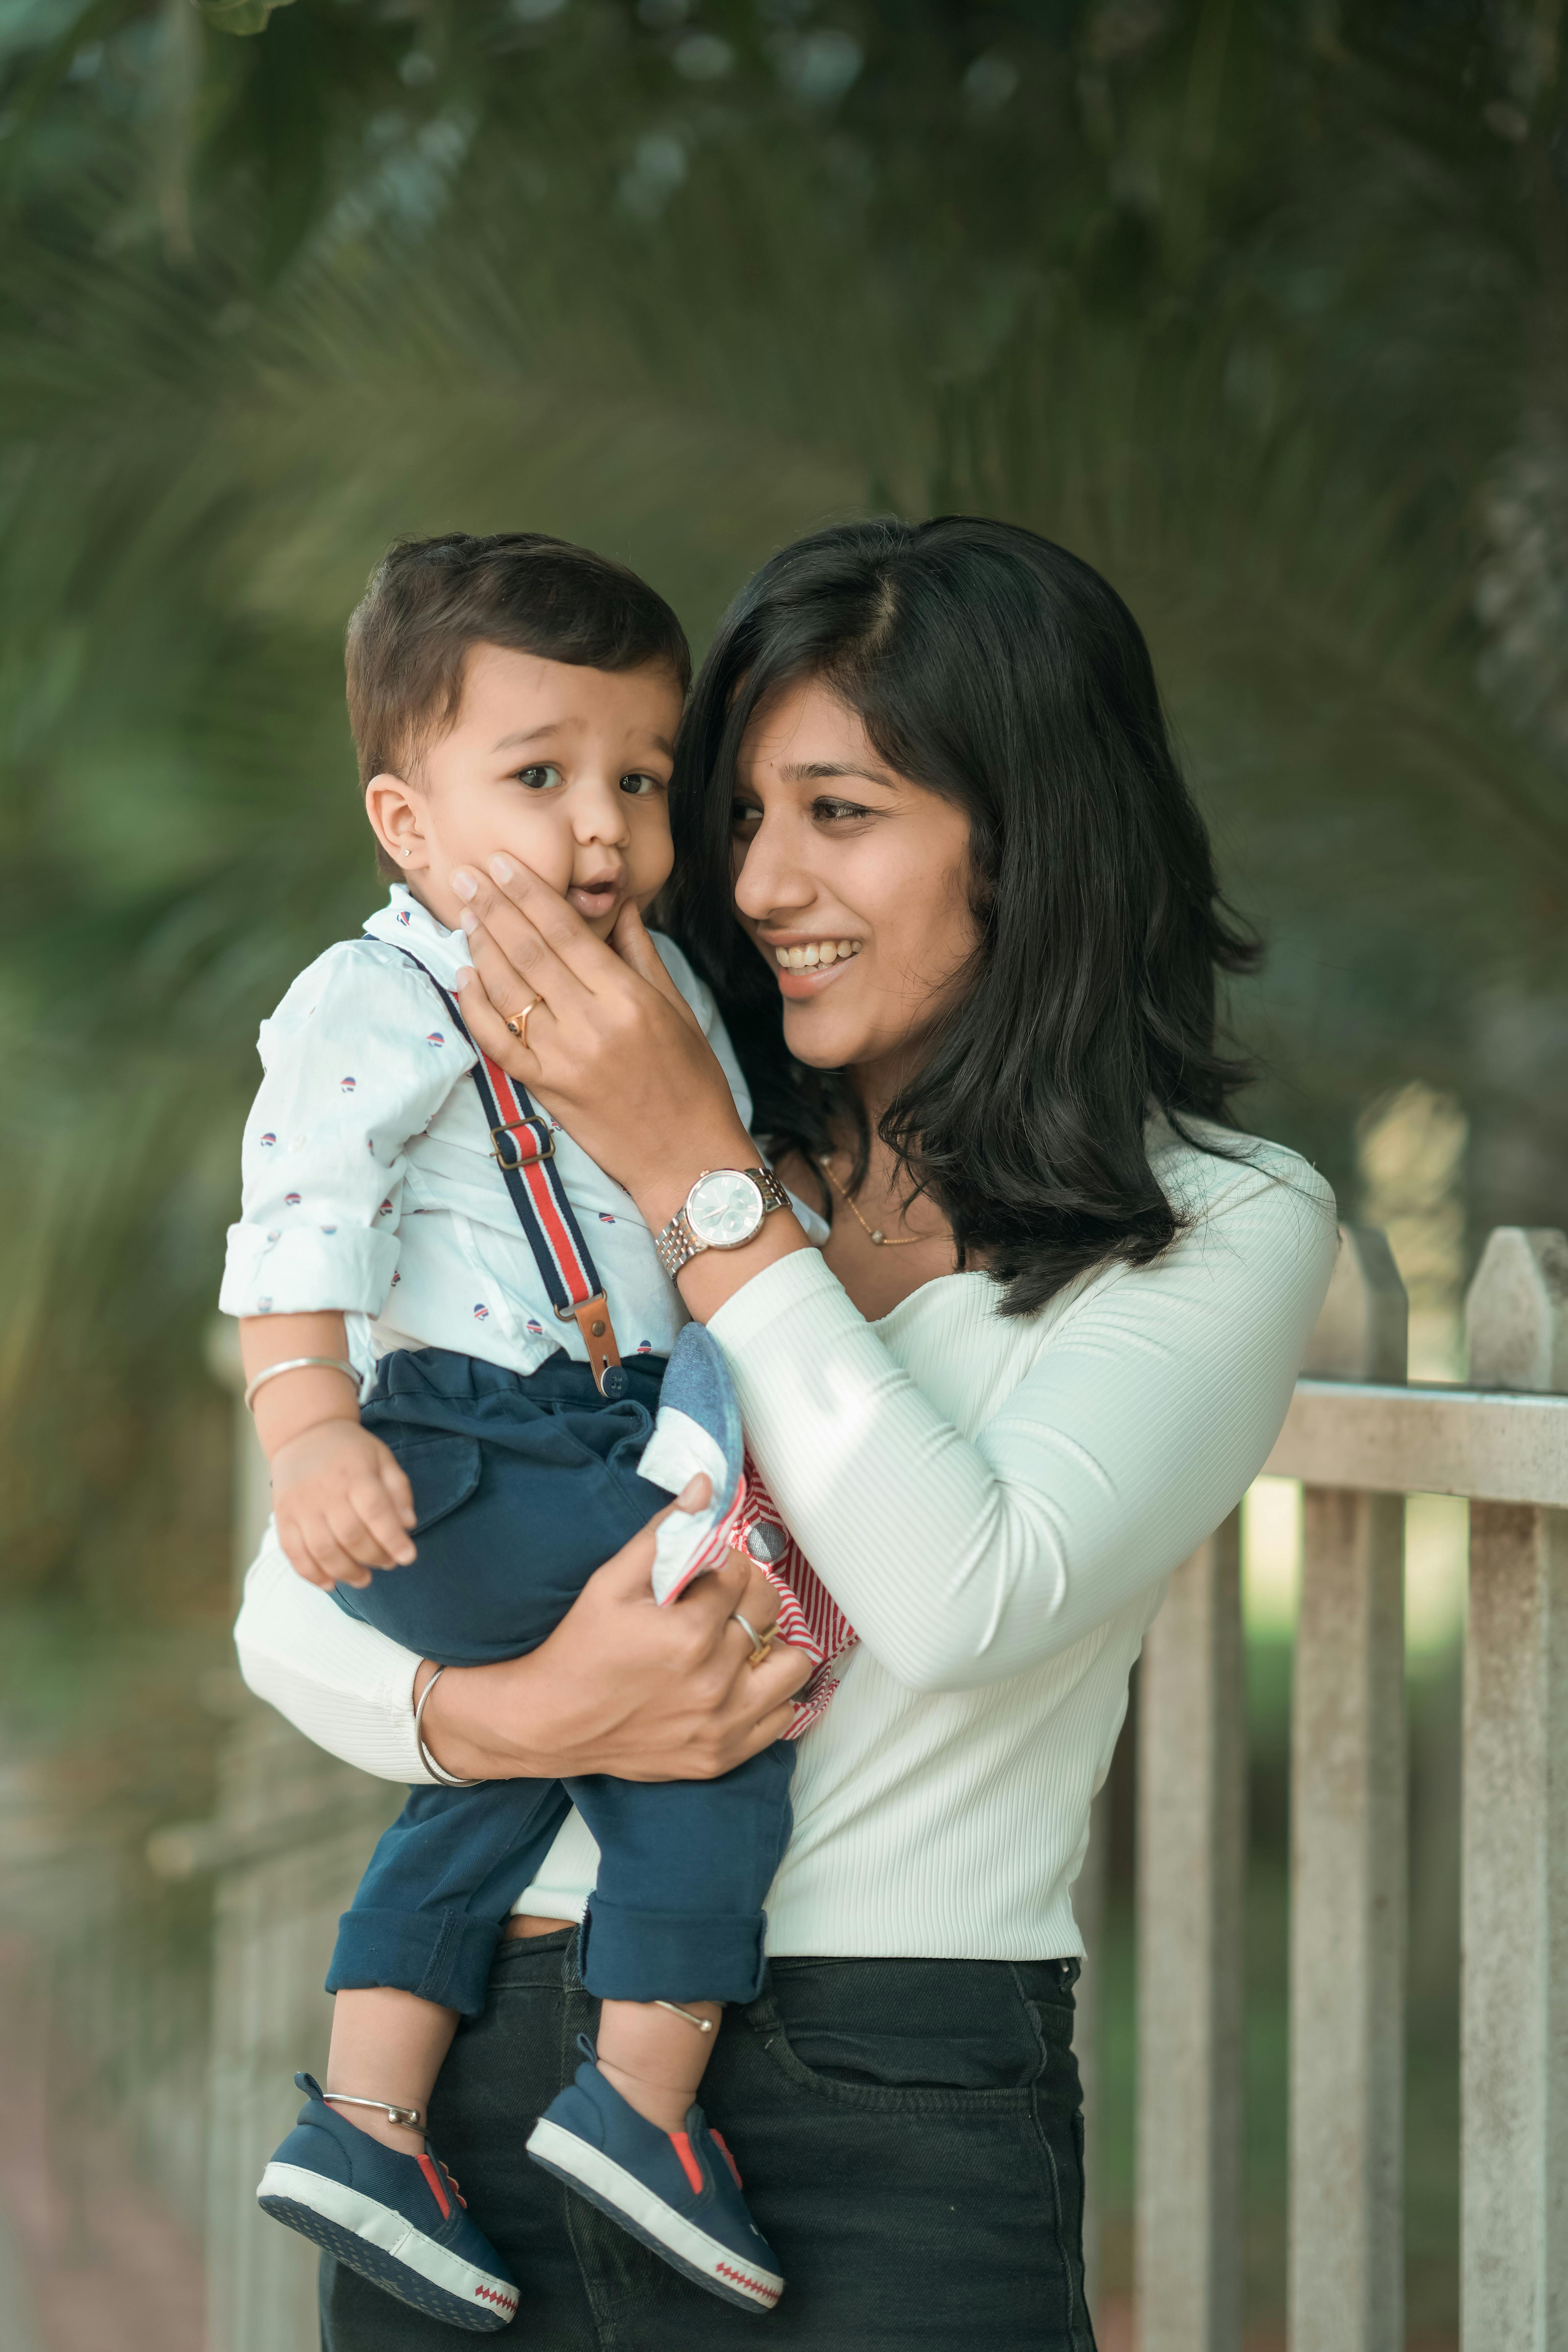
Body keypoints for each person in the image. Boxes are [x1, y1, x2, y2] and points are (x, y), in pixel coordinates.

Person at [237, 515, 1338, 2351]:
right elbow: (294, 1603)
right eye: (739, 813)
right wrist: (529, 1717)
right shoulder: (553, 1152)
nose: (754, 883)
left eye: (839, 811)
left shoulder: (1215, 1219)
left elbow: (964, 1600)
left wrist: (704, 1184)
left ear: (1032, 831)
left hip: (885, 2103)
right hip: (475, 2085)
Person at [224, 532, 846, 2333]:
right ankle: (641, 2106)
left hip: (606, 1429)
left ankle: (367, 2123)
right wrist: (309, 1429)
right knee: (717, 1685)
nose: (600, 830)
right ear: (407, 823)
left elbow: (706, 1171)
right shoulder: (376, 996)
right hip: (469, 1441)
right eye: (540, 778)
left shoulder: (661, 982)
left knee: (513, 1764)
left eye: (641, 782)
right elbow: (301, 1222)